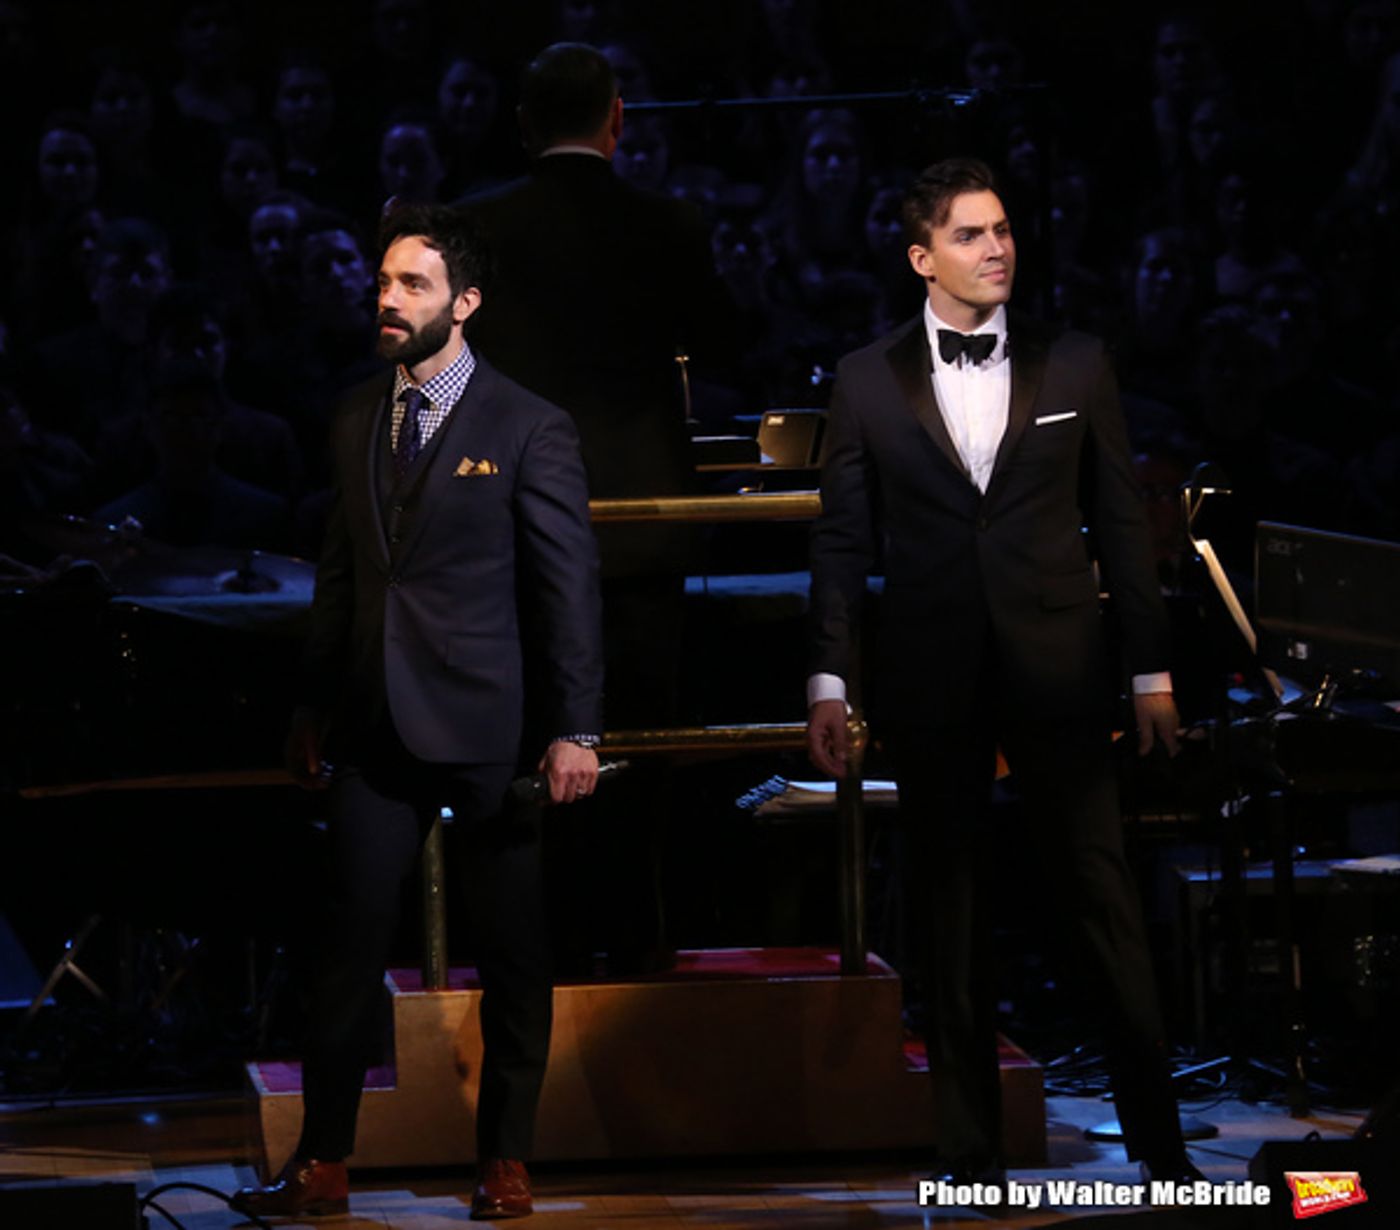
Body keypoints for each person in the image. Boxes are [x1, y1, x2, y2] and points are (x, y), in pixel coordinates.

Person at [805, 158, 1199, 1187]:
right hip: (929, 673)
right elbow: (842, 544)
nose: (997, 248)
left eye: (1003, 230)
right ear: (919, 255)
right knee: (946, 914)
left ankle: (1160, 1150)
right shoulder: (862, 379)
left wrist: (1148, 670)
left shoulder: (1075, 364)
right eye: (972, 234)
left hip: (1059, 669)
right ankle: (969, 1156)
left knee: (1100, 900)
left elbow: (1121, 524)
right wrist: (828, 681)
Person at [231, 202, 603, 1222]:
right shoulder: (358, 414)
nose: (387, 300)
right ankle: (325, 1160)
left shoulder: (528, 425)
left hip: (492, 727)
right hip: (371, 726)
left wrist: (577, 726)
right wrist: (313, 700)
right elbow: (343, 576)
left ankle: (504, 1160)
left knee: (514, 955)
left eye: (412, 286)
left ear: (464, 304)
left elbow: (565, 587)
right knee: (344, 948)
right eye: (385, 283)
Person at [467, 42, 733, 975]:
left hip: (517, 530)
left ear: (522, 126)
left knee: (526, 748)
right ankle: (633, 953)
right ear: (618, 120)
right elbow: (725, 340)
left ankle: (531, 957)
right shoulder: (670, 223)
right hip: (639, 531)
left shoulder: (476, 229)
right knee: (639, 752)